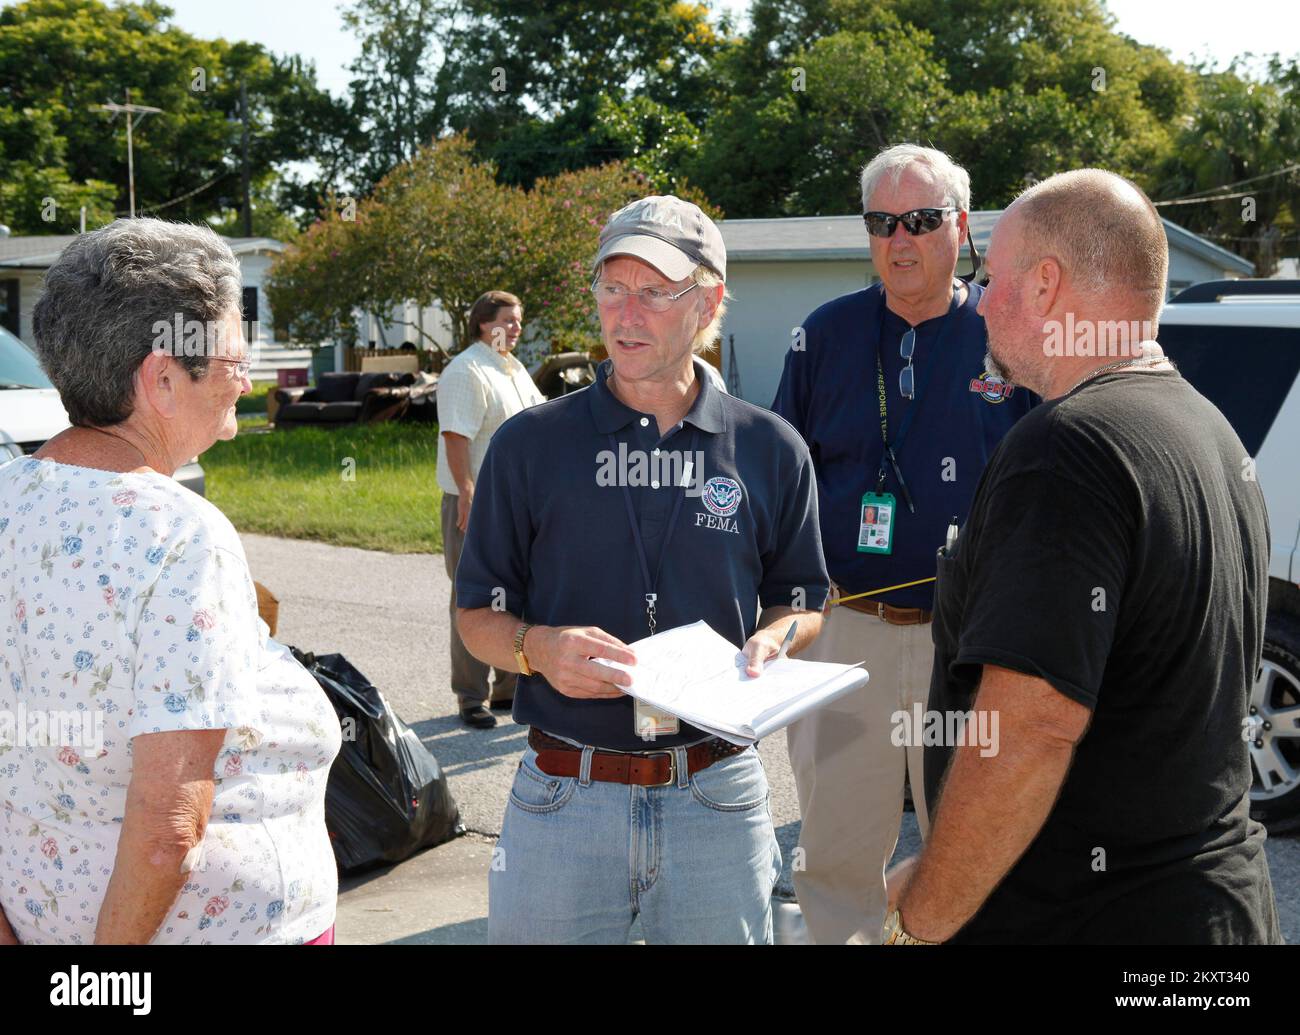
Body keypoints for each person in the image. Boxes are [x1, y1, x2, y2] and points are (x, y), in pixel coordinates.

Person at [885, 169, 1283, 944]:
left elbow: (1031, 728)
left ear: (1043, 286)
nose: (979, 300)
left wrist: (925, 916)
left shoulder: (1067, 449)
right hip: (1214, 912)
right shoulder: (1208, 429)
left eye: (990, 276)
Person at [456, 195, 829, 944]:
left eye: (655, 292)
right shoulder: (531, 445)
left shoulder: (772, 447)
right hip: (564, 798)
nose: (627, 313)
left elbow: (803, 600)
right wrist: (537, 650)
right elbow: (477, 619)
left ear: (708, 301)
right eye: (612, 288)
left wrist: (777, 639)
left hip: (716, 799)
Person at [0, 218, 341, 945]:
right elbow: (167, 827)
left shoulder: (7, 496)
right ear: (160, 378)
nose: (245, 384)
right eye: (232, 361)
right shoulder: (181, 533)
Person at [771, 144, 1036, 944]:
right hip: (846, 631)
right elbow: (786, 484)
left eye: (921, 220)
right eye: (882, 222)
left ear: (961, 225)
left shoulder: (1009, 330)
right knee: (835, 852)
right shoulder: (825, 334)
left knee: (976, 849)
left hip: (969, 640)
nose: (900, 239)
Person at [437, 290, 546, 728]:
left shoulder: (512, 367)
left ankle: (508, 688)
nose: (518, 327)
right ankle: (470, 696)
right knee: (473, 596)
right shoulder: (466, 370)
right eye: (510, 320)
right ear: (485, 324)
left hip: (515, 504)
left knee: (514, 592)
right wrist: (466, 492)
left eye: (519, 320)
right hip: (476, 501)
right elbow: (455, 436)